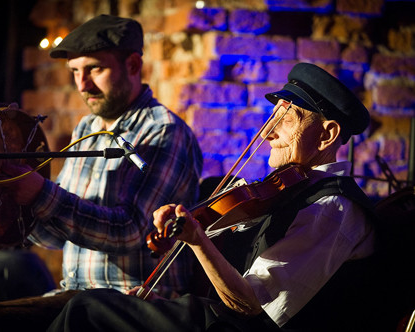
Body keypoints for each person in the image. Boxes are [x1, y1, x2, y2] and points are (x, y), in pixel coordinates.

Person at [46, 62, 383, 332]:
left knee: (87, 310)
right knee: (98, 305)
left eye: (284, 118)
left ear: (327, 134)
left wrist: (196, 239)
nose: (267, 131)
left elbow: (251, 306)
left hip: (232, 325)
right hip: (216, 317)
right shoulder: (288, 192)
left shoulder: (331, 209)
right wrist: (186, 225)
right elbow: (220, 252)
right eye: (271, 116)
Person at [0, 14, 203, 331]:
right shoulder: (87, 127)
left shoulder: (164, 131)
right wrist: (12, 203)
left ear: (133, 65)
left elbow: (131, 230)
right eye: (75, 72)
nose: (81, 84)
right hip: (76, 296)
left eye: (95, 69)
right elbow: (58, 236)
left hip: (130, 304)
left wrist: (40, 193)